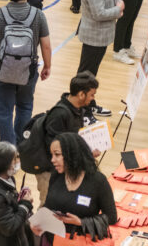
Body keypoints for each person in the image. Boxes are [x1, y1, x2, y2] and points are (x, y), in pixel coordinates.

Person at [0, 0, 51, 144]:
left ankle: (7, 148)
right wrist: (47, 66)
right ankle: (21, 145)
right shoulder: (38, 15)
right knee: (25, 106)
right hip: (28, 70)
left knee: (4, 110)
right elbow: (46, 45)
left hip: (2, 69)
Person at [32, 133, 116, 244]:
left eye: (57, 154)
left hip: (82, 241)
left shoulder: (98, 180)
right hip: (53, 240)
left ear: (71, 154)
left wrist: (81, 222)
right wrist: (39, 222)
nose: (52, 160)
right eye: (51, 155)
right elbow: (48, 206)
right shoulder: (56, 176)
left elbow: (111, 217)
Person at [35, 73, 101, 206]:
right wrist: (84, 154)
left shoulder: (78, 109)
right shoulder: (59, 114)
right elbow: (53, 147)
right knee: (48, 205)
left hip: (64, 166)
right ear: (81, 94)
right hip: (49, 170)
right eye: (92, 94)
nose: (93, 98)